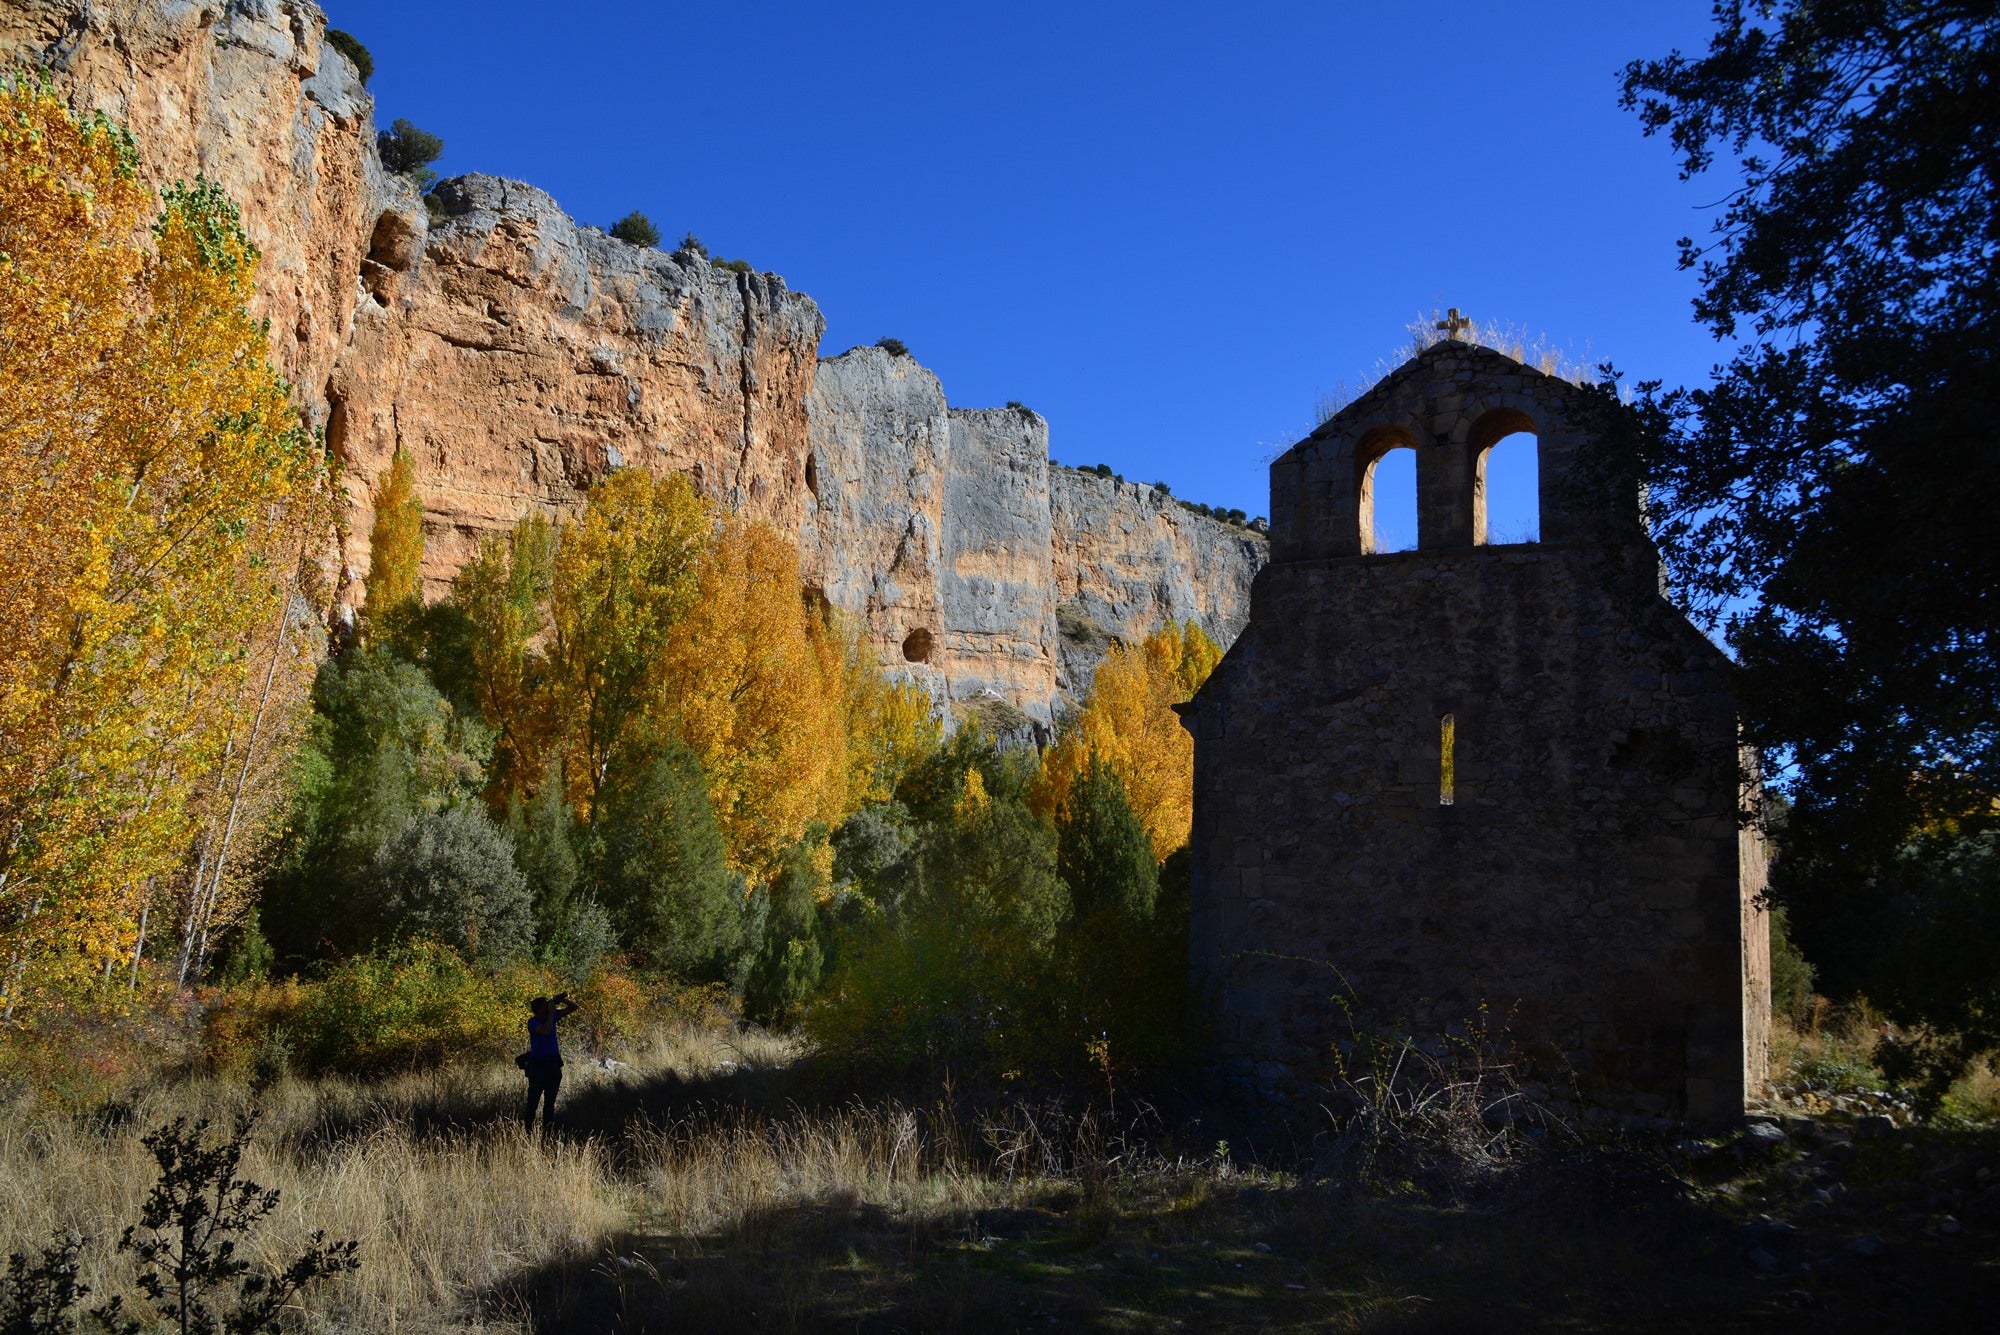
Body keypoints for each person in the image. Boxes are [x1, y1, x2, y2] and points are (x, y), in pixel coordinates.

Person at [522, 992, 578, 1137]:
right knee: (532, 1103)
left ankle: (548, 1133)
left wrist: (561, 999)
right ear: (539, 1010)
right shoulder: (533, 1022)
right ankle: (527, 1132)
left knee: (550, 1103)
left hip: (553, 1066)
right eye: (545, 1007)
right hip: (538, 1067)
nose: (548, 1009)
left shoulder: (551, 1017)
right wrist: (552, 1012)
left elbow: (574, 1007)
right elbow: (546, 1031)